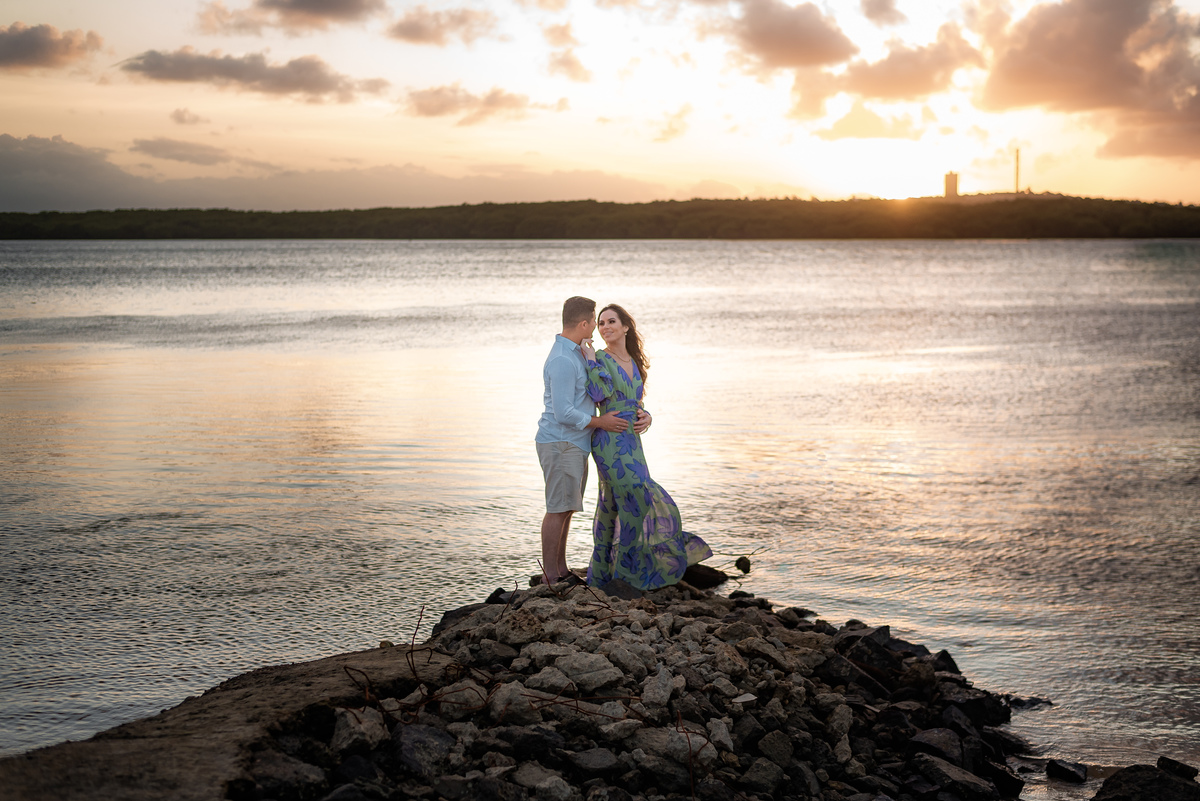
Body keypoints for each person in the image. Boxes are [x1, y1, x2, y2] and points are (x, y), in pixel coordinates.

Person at [580, 304, 711, 590]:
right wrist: (590, 359)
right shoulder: (600, 357)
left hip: (632, 441)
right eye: (601, 323)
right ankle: (625, 573)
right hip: (609, 439)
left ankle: (605, 577)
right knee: (637, 499)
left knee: (613, 505)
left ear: (626, 326)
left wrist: (648, 416)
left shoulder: (634, 362)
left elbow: (635, 402)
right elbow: (599, 393)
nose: (604, 327)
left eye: (611, 321)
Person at [536, 297, 644, 585]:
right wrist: (602, 422)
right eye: (596, 322)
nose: (597, 329)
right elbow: (562, 412)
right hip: (560, 441)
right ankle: (550, 576)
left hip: (576, 442)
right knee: (558, 508)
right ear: (584, 324)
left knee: (567, 506)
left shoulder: (577, 353)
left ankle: (561, 570)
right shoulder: (562, 359)